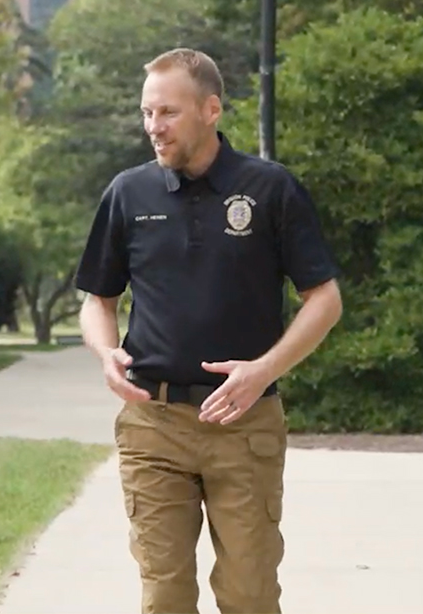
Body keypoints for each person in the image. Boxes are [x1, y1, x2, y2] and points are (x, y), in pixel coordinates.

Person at [75, 47, 344, 614]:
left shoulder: (271, 189)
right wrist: (105, 353)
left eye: (168, 113)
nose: (154, 127)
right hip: (153, 423)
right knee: (165, 595)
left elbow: (325, 300)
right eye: (147, 113)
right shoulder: (129, 193)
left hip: (245, 425)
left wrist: (264, 370)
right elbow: (97, 299)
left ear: (211, 109)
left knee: (249, 595)